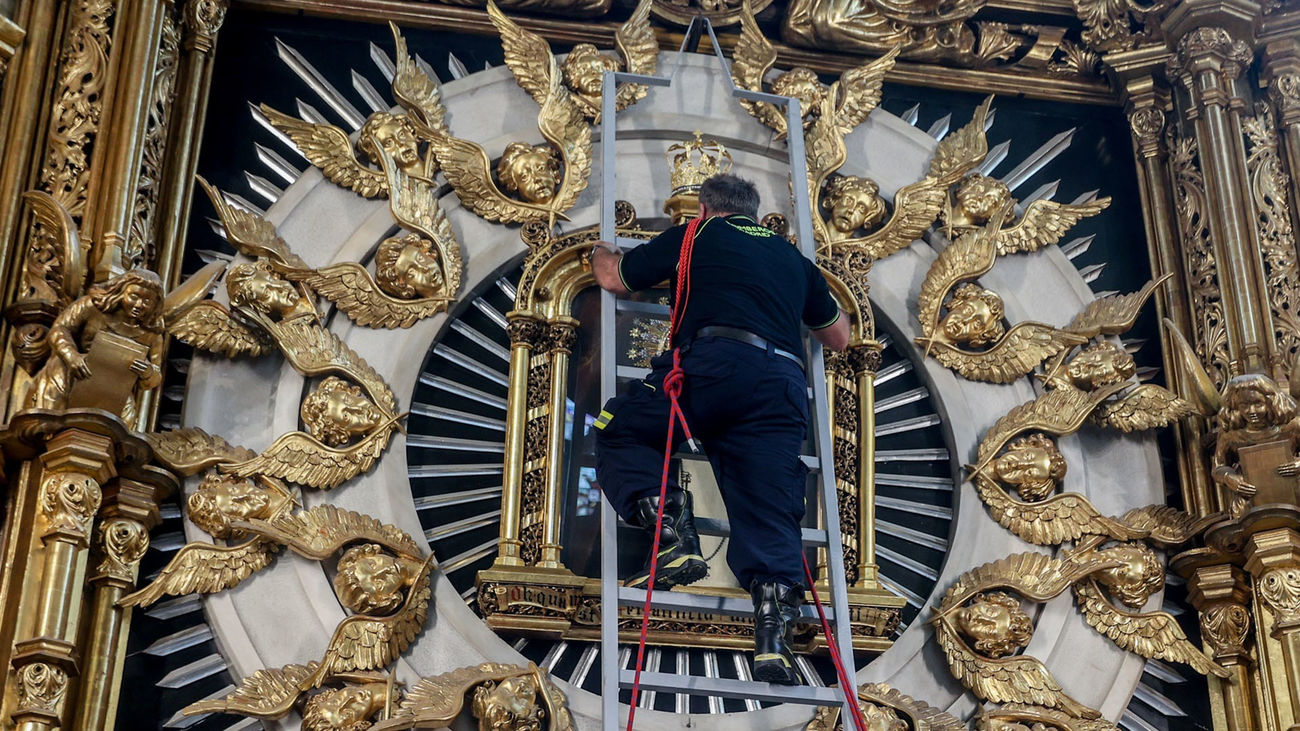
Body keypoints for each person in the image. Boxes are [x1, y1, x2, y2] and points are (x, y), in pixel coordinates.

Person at [589, 173, 850, 685]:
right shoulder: (794, 260)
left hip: (716, 362)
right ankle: (773, 639)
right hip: (781, 386)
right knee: (768, 501)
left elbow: (616, 278)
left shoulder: (695, 235)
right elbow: (838, 336)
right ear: (752, 214)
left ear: (705, 209)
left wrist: (599, 248)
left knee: (619, 427)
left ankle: (672, 527)